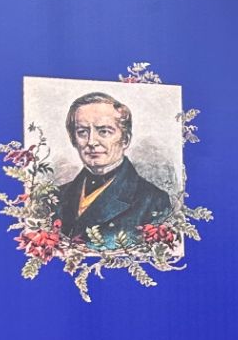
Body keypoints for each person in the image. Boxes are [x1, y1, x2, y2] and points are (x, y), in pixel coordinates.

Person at [53, 91, 173, 244]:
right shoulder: (55, 197)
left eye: (104, 131)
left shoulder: (154, 201)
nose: (91, 142)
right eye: (82, 132)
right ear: (73, 140)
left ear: (125, 139)